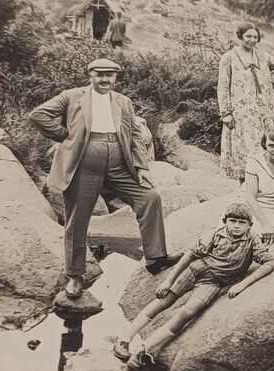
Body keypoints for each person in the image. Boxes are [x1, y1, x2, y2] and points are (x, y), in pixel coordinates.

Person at [28, 58, 177, 298]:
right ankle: (75, 276)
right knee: (77, 220)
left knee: (149, 198)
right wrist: (65, 136)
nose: (105, 79)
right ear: (90, 75)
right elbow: (39, 115)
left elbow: (135, 136)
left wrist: (141, 168)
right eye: (100, 74)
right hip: (83, 166)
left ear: (116, 77)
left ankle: (155, 258)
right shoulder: (72, 96)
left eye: (110, 75)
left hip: (119, 166)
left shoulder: (123, 102)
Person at [112, 202, 274, 367]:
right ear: (225, 221)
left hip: (214, 282)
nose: (237, 226)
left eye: (242, 223)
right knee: (164, 300)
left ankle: (144, 349)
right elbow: (190, 255)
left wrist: (242, 284)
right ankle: (125, 338)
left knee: (188, 312)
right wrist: (169, 281)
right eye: (233, 221)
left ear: (250, 225)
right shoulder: (215, 234)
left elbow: (269, 263)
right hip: (196, 270)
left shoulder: (252, 240)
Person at [217, 22, 274, 181]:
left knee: (264, 145)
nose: (252, 40)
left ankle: (264, 183)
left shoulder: (263, 56)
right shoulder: (229, 57)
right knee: (242, 147)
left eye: (255, 37)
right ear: (240, 36)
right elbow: (222, 86)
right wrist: (226, 113)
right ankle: (244, 185)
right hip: (240, 112)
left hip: (262, 111)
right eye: (248, 36)